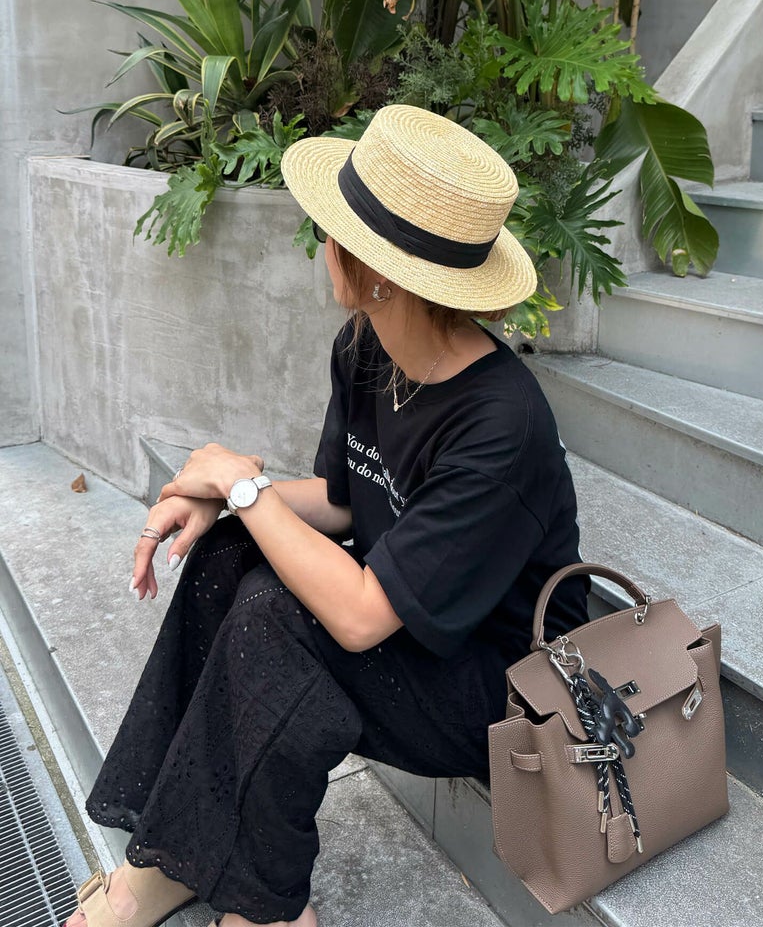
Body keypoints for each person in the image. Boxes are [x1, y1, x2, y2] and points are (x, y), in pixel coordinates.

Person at [66, 104, 588, 927]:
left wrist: (242, 485)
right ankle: (171, 856)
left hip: (497, 686)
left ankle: (268, 906)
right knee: (232, 555)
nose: (321, 246)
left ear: (381, 272)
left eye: (332, 232)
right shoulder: (366, 347)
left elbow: (359, 617)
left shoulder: (503, 424)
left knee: (280, 620)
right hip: (407, 619)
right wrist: (224, 497)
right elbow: (343, 501)